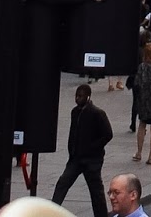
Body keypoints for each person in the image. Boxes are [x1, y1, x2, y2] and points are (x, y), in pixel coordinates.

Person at [53, 82, 114, 217]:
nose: (77, 99)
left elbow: (108, 134)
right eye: (76, 96)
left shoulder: (97, 113)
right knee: (62, 183)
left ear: (88, 97)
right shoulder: (75, 112)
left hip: (92, 160)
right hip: (76, 159)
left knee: (96, 191)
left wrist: (93, 148)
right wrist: (72, 151)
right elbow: (73, 133)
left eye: (80, 96)